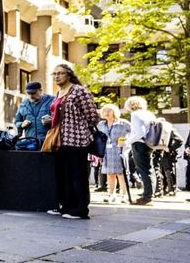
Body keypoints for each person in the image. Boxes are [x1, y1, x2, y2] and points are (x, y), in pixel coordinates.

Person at [47, 64, 99, 219]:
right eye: (54, 73)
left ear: (69, 75)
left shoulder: (79, 91)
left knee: (77, 174)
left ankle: (80, 210)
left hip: (77, 139)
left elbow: (93, 116)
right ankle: (67, 206)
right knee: (64, 175)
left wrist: (79, 127)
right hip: (60, 139)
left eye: (60, 73)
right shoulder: (58, 92)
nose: (56, 76)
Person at [123, 97, 157, 206]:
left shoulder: (135, 115)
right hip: (149, 143)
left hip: (140, 144)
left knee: (143, 170)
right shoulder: (149, 114)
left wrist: (128, 141)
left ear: (131, 105)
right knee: (149, 169)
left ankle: (147, 197)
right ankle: (149, 194)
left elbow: (140, 132)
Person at [96, 104, 130, 203]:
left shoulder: (123, 123)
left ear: (114, 112)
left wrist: (126, 142)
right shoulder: (101, 125)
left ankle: (124, 194)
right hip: (106, 151)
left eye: (109, 110)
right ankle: (111, 194)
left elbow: (133, 133)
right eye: (105, 110)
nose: (106, 112)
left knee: (121, 173)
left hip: (119, 150)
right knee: (109, 173)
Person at [14, 81, 54, 146]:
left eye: (33, 93)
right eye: (28, 93)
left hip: (48, 142)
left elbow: (61, 120)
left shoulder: (52, 101)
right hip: (31, 143)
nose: (30, 96)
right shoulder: (23, 104)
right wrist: (21, 124)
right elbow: (16, 122)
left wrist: (51, 121)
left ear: (40, 90)